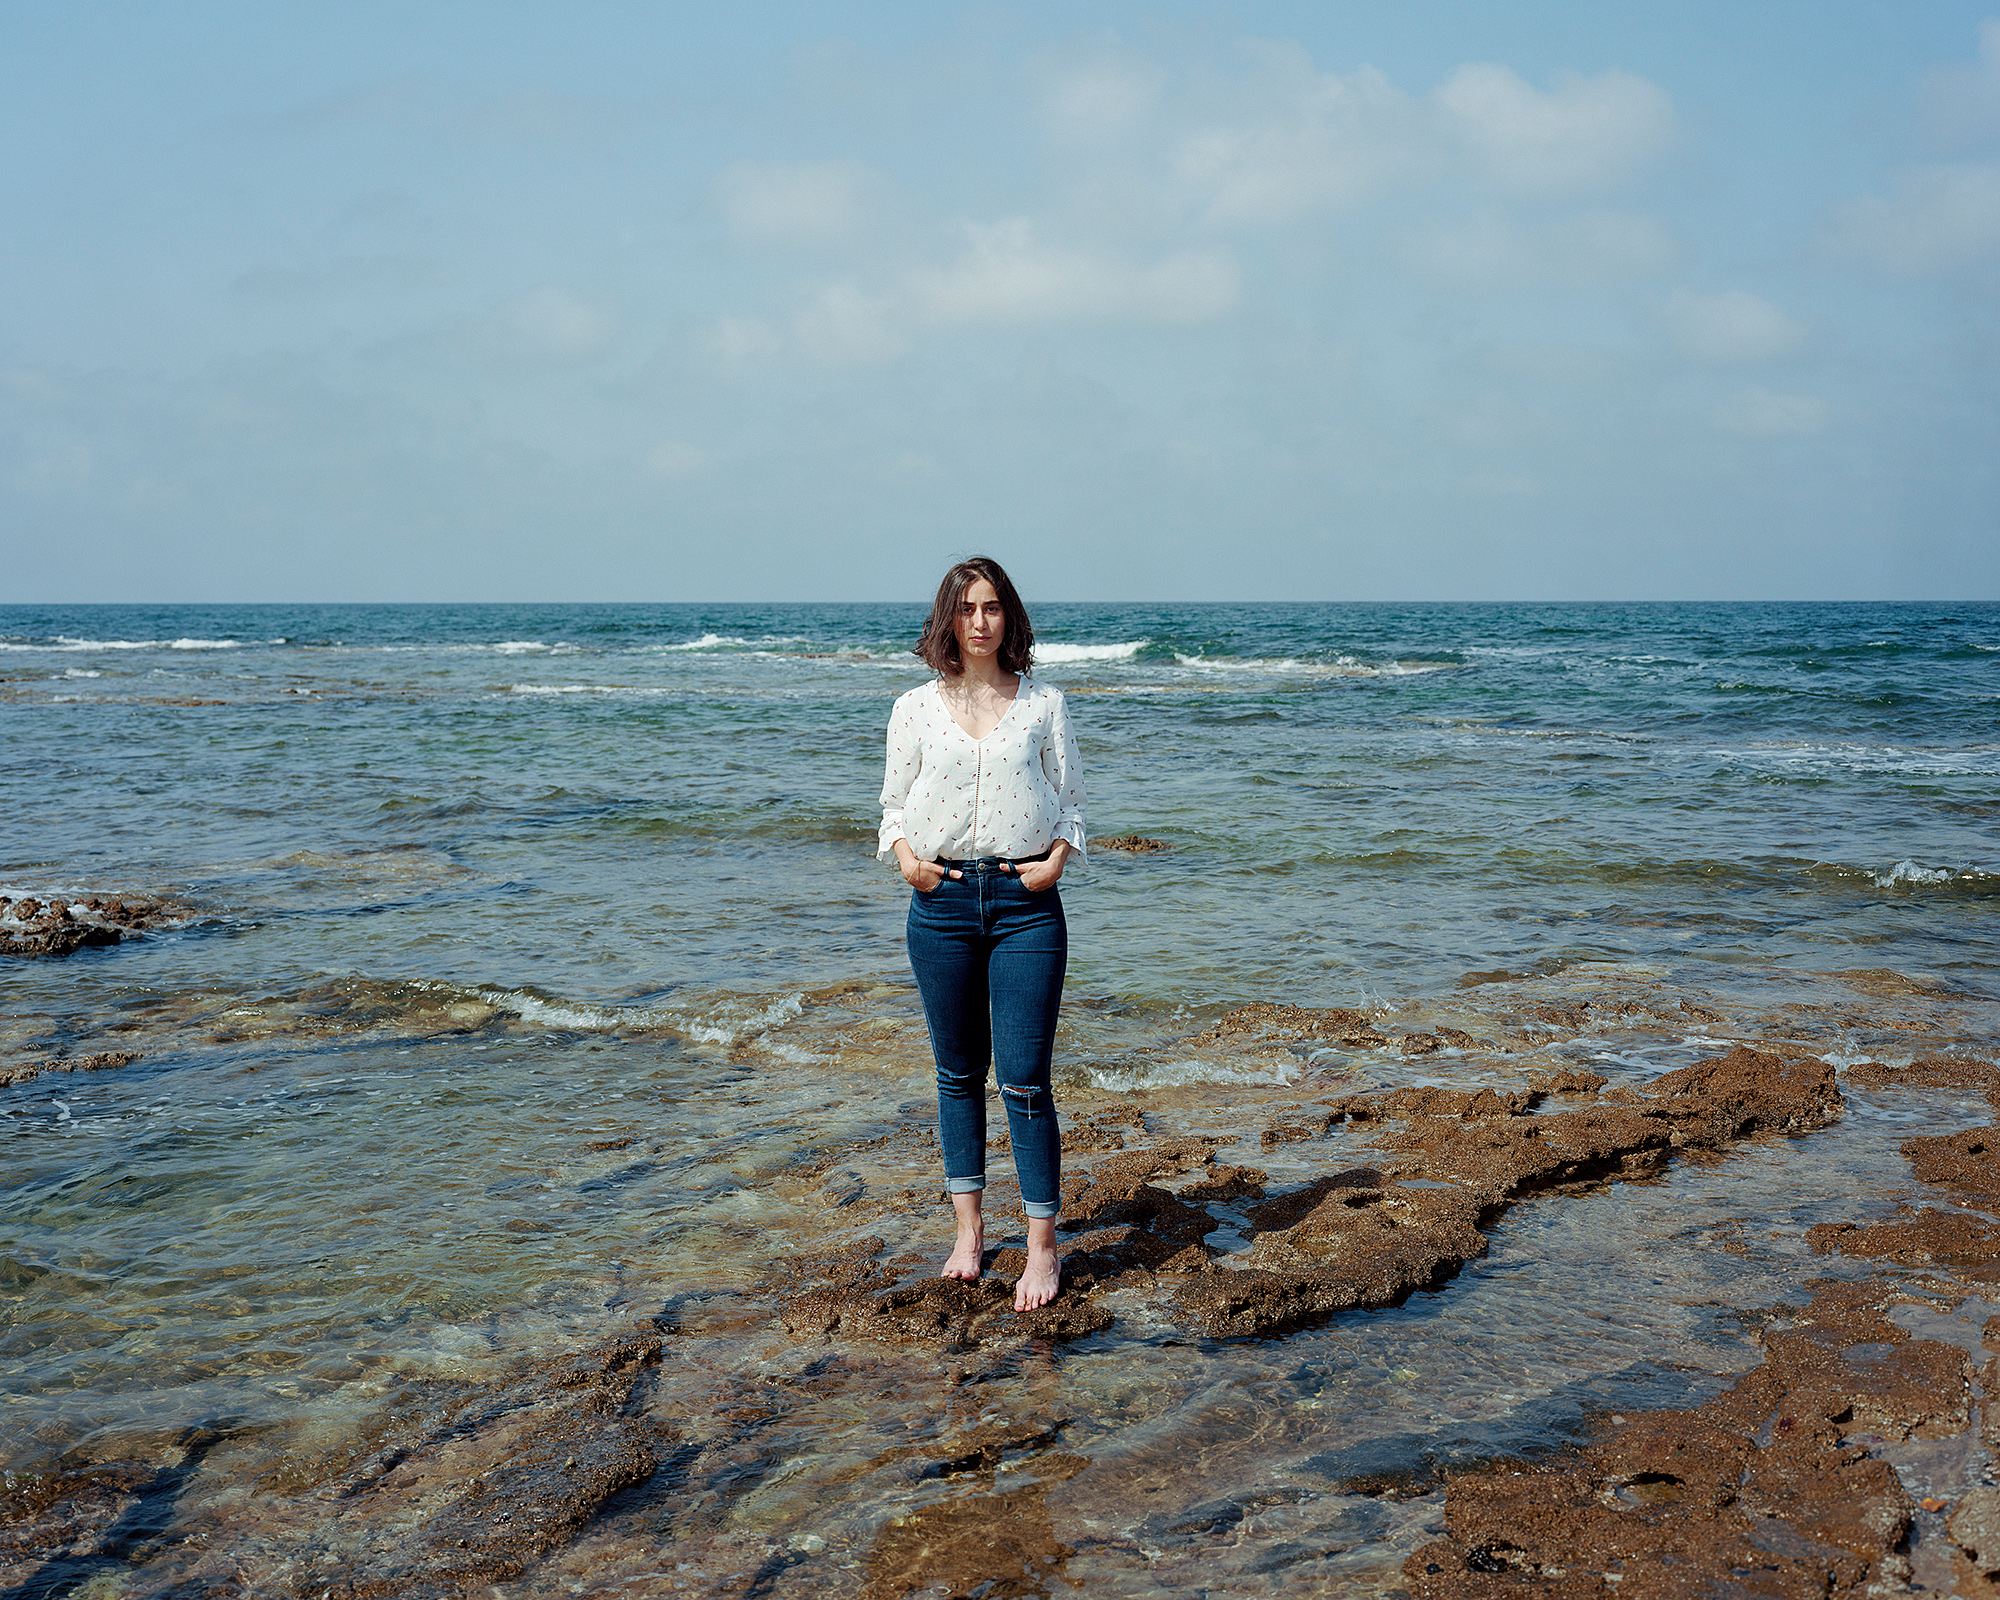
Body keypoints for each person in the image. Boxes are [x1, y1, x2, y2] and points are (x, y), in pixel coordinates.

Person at [878, 556, 1086, 1312]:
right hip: (942, 903)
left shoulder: (1044, 705)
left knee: (1026, 1080)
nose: (979, 620)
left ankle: (1041, 1249)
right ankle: (969, 1233)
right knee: (958, 1074)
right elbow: (893, 807)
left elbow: (1071, 806)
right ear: (948, 618)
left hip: (1027, 904)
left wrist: (1054, 863)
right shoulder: (913, 709)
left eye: (992, 607)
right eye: (966, 608)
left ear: (1009, 618)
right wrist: (910, 863)